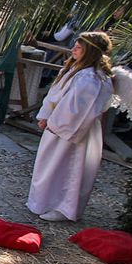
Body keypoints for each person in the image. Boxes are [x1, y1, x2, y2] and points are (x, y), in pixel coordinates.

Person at [26, 32, 116, 223]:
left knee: (69, 169)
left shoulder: (92, 78)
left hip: (75, 130)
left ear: (90, 51)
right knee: (50, 165)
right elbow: (55, 95)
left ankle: (63, 208)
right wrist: (45, 116)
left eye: (78, 47)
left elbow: (77, 108)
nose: (73, 49)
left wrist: (55, 122)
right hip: (57, 125)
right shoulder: (75, 70)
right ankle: (41, 201)